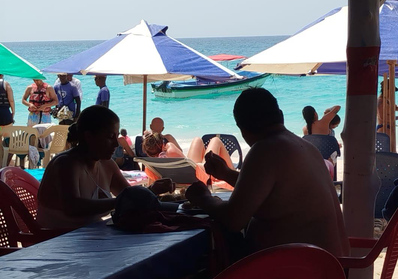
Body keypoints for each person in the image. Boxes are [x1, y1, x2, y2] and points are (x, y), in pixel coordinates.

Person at [185, 88, 350, 257]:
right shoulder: (305, 147)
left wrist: (204, 198)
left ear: (242, 128)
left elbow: (233, 219)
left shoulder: (265, 149)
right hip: (331, 266)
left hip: (302, 269)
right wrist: (226, 174)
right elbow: (273, 190)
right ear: (280, 115)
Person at [37, 105, 175, 230]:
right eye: (110, 137)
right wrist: (125, 200)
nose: (116, 143)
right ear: (89, 136)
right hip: (57, 242)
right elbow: (73, 208)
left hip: (88, 237)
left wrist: (152, 191)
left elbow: (131, 197)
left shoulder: (106, 164)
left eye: (116, 136)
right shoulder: (66, 164)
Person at [142, 132, 234, 189]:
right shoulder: (170, 149)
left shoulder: (152, 164)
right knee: (215, 140)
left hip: (192, 170)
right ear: (162, 144)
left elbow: (151, 183)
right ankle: (232, 173)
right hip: (202, 173)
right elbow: (183, 158)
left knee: (197, 140)